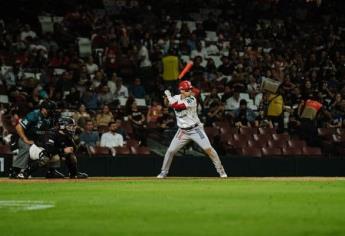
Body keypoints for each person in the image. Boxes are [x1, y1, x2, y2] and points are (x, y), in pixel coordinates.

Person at [157, 80, 227, 178]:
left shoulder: (192, 99)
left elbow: (177, 106)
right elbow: (167, 104)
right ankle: (163, 172)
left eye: (190, 89)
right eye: (187, 90)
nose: (190, 91)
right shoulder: (176, 97)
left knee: (209, 149)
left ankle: (221, 171)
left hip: (195, 130)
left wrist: (169, 96)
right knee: (170, 151)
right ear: (181, 91)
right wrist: (165, 97)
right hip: (182, 131)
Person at [11, 99, 60, 179]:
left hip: (38, 140)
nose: (52, 112)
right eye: (50, 110)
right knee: (26, 147)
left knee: (52, 150)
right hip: (25, 137)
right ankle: (15, 170)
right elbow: (18, 127)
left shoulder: (50, 118)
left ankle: (52, 171)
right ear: (43, 109)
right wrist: (25, 139)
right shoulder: (34, 114)